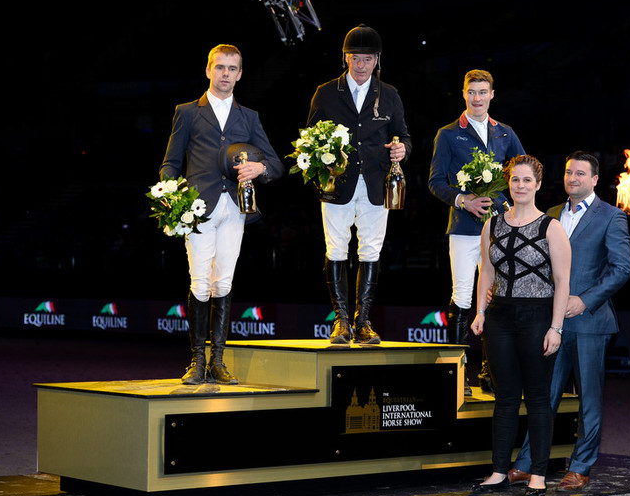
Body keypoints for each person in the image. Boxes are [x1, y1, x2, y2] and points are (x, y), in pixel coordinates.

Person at [160, 44, 284, 385]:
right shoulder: (187, 112)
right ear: (208, 70)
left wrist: (260, 168)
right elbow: (170, 163)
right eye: (220, 67)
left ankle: (218, 361)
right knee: (200, 282)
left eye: (232, 68)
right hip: (197, 211)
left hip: (236, 210)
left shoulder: (250, 117)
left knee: (224, 282)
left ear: (240, 73)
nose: (225, 74)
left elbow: (276, 164)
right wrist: (171, 197)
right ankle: (196, 362)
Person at [508, 151, 630, 491]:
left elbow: (622, 268)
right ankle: (529, 464)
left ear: (594, 180)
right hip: (550, 323)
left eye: (580, 173)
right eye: (568, 172)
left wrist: (585, 300)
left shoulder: (612, 217)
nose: (573, 178)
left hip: (590, 322)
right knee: (542, 395)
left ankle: (581, 467)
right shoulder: (548, 215)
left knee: (589, 399)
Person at [470, 155, 571, 496]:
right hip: (499, 317)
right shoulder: (492, 224)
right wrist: (480, 311)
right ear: (507, 183)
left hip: (538, 318)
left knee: (539, 400)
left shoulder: (550, 227)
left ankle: (538, 475)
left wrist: (556, 327)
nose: (520, 186)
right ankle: (499, 471)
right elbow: (486, 271)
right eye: (515, 180)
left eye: (527, 180)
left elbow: (562, 280)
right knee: (505, 399)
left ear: (539, 185)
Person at [306, 24, 412, 345]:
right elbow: (309, 139)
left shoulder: (389, 94)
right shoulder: (325, 92)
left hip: (377, 183)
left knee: (371, 249)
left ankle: (362, 321)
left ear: (377, 60)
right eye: (356, 58)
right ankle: (341, 322)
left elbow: (404, 136)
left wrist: (403, 149)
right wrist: (319, 165)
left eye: (367, 59)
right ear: (345, 58)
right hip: (336, 183)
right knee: (335, 248)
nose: (361, 65)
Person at [429, 69, 525, 395]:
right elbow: (435, 182)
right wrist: (462, 199)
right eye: (472, 92)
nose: (477, 98)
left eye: (483, 92)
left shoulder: (506, 133)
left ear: (492, 95)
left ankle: (488, 373)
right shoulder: (447, 134)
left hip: (499, 230)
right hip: (464, 229)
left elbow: (523, 172)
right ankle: (457, 377)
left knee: (494, 299)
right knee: (463, 296)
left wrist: (516, 208)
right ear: (464, 93)